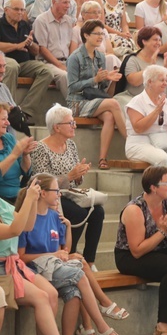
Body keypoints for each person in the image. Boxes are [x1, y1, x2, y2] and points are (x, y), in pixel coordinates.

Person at [17, 172, 129, 335]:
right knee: (79, 273)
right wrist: (54, 254)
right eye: (56, 190)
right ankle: (102, 325)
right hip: (34, 271)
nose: (59, 194)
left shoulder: (55, 217)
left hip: (54, 268)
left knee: (74, 292)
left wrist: (68, 227)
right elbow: (21, 257)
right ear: (43, 193)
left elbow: (65, 250)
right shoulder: (27, 218)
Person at [0, 177, 91, 335]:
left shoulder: (2, 204)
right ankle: (99, 324)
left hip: (10, 266)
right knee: (79, 274)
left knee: (46, 294)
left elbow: (27, 226)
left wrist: (31, 201)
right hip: (5, 268)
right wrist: (30, 199)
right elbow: (15, 230)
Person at [115, 165, 167, 335]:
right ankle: (163, 326)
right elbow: (137, 251)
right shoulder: (135, 209)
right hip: (129, 257)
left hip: (158, 250)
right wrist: (162, 231)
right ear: (153, 187)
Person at [30, 104, 106, 266]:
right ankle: (69, 253)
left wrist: (79, 175)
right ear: (57, 127)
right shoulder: (41, 148)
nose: (75, 126)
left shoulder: (71, 145)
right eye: (70, 123)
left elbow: (74, 177)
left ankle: (90, 261)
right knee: (78, 213)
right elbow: (42, 182)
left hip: (69, 192)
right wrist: (70, 175)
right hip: (49, 196)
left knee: (98, 211)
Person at [66, 20, 127, 170]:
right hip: (77, 102)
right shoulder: (75, 58)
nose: (100, 36)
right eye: (97, 33)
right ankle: (131, 141)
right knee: (113, 104)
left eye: (102, 33)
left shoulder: (100, 56)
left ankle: (102, 159)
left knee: (109, 116)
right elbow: (72, 86)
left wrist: (109, 80)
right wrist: (95, 79)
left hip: (94, 100)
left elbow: (102, 89)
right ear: (86, 35)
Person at [125, 65, 167, 200]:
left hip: (163, 142)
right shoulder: (136, 102)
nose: (165, 83)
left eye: (165, 80)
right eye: (161, 80)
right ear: (150, 82)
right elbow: (138, 128)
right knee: (163, 159)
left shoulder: (166, 102)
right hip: (139, 143)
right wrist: (156, 111)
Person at [0, 102, 34, 203]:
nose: (8, 123)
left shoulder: (9, 138)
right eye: (3, 119)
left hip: (18, 196)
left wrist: (25, 155)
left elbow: (26, 171)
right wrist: (14, 155)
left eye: (7, 119)